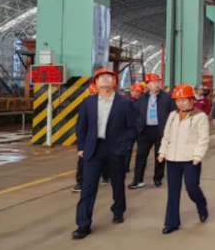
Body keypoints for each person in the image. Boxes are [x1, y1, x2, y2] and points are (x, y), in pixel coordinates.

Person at [73, 69, 138, 239]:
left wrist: (125, 145)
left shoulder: (125, 103)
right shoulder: (88, 103)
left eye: (109, 77)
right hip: (93, 149)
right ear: (96, 82)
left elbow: (133, 127)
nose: (105, 79)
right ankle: (83, 224)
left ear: (115, 82)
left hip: (116, 149)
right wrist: (81, 147)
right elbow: (81, 127)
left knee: (117, 183)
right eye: (101, 77)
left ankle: (118, 211)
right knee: (88, 188)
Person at [158, 84, 210, 234]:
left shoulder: (200, 116)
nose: (180, 103)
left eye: (183, 100)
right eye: (177, 101)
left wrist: (198, 156)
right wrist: (162, 153)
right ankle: (172, 222)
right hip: (172, 158)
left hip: (190, 159)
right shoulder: (173, 115)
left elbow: (203, 139)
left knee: (191, 188)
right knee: (173, 192)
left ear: (191, 100)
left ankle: (201, 203)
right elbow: (166, 135)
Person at [130, 73, 176, 189]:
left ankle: (157, 179)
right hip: (145, 130)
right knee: (141, 155)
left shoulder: (167, 98)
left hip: (161, 131)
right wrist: (138, 126)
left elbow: (173, 114)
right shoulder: (142, 98)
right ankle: (138, 180)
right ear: (148, 85)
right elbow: (136, 113)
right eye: (154, 82)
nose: (157, 84)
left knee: (159, 155)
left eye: (158, 82)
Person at [72, 83, 109, 193]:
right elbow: (81, 123)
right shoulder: (86, 104)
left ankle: (106, 176)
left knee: (106, 159)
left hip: (104, 138)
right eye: (92, 94)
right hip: (89, 139)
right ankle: (81, 183)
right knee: (83, 161)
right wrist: (80, 144)